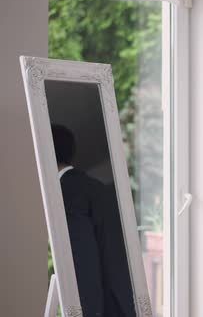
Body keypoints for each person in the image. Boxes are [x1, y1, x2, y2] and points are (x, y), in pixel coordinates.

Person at [52, 124, 136, 316]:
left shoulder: (66, 193)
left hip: (101, 307)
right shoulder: (96, 187)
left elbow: (83, 263)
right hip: (121, 301)